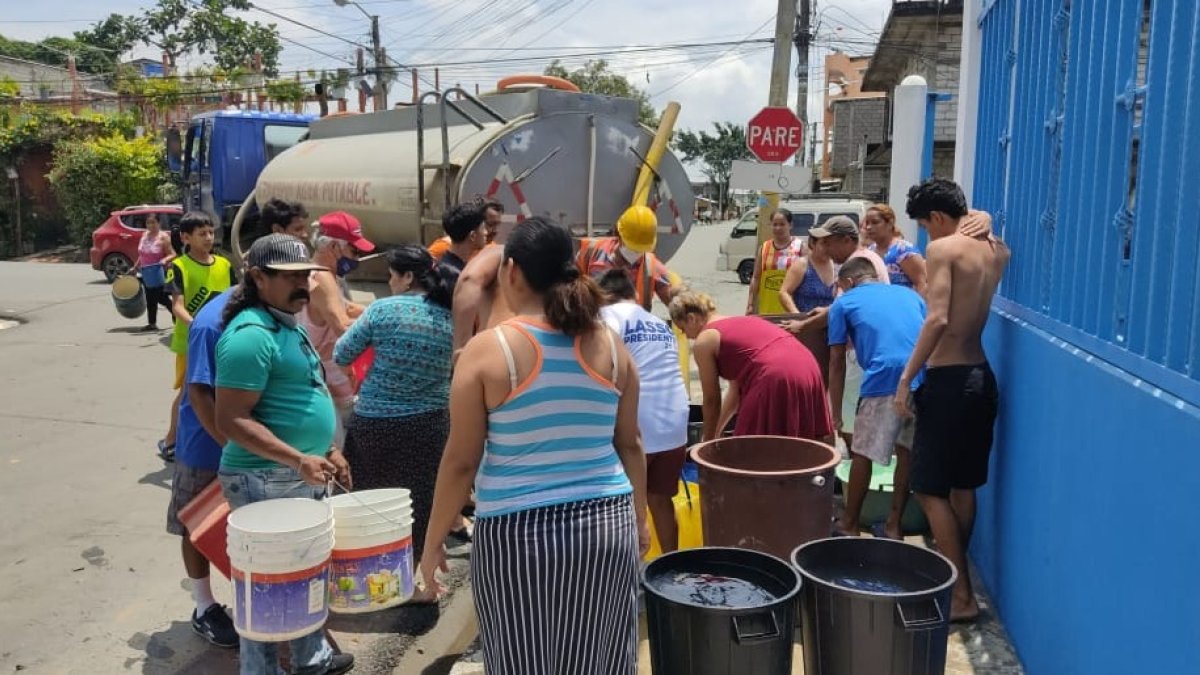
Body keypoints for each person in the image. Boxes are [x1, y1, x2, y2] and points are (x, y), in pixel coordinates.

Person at [419, 217, 648, 674]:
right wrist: (638, 521)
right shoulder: (609, 344)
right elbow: (631, 444)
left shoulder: (488, 350)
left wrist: (432, 541)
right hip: (608, 525)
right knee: (600, 660)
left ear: (512, 271)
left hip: (519, 535)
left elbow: (461, 462)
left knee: (522, 660)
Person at [215, 234, 355, 675]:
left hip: (295, 473)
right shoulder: (250, 336)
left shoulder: (284, 323)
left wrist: (328, 448)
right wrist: (298, 459)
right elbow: (231, 419)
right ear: (259, 277)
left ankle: (311, 659)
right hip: (264, 478)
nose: (302, 285)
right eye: (290, 277)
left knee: (304, 575)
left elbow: (299, 393)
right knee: (266, 588)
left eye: (305, 275)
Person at [895, 178, 1009, 622]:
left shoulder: (943, 250)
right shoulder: (996, 251)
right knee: (963, 485)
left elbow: (938, 317)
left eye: (926, 225)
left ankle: (960, 596)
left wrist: (907, 378)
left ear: (938, 218)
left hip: (948, 380)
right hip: (981, 377)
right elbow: (987, 230)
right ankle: (957, 583)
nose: (927, 235)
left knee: (926, 488)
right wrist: (985, 219)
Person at [333, 245, 460, 562]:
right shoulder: (451, 316)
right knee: (418, 504)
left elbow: (341, 353)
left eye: (392, 276)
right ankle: (410, 573)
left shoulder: (382, 310)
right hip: (430, 426)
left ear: (407, 277)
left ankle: (368, 570)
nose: (390, 282)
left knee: (368, 502)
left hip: (375, 426)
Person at [826, 258, 925, 539]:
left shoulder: (843, 303)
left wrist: (835, 413)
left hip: (883, 377)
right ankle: (894, 525)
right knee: (905, 452)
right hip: (921, 377)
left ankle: (849, 524)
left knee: (862, 452)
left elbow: (836, 360)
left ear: (848, 282)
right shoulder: (909, 295)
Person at [167, 285, 238, 649]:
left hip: (247, 444)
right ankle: (204, 606)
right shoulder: (211, 323)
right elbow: (198, 391)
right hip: (204, 447)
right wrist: (230, 446)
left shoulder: (269, 313)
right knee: (196, 526)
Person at [598, 269, 688, 553]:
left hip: (638, 429)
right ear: (634, 294)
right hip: (675, 426)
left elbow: (604, 369)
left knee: (623, 505)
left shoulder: (606, 317)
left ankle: (628, 569)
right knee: (661, 499)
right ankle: (672, 564)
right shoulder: (660, 324)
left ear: (604, 297)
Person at [670, 290, 832, 442]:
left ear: (691, 318)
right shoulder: (744, 321)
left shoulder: (705, 340)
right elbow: (735, 392)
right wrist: (716, 433)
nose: (685, 335)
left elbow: (712, 400)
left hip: (775, 374)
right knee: (800, 448)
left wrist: (706, 442)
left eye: (682, 328)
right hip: (809, 368)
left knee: (751, 448)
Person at [160, 212, 237, 462]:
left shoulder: (224, 264)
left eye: (211, 232)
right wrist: (198, 327)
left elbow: (235, 298)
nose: (208, 238)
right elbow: (177, 306)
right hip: (191, 342)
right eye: (202, 233)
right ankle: (171, 440)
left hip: (223, 340)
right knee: (188, 392)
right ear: (185, 237)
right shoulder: (179, 266)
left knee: (220, 390)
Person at [297, 211, 375, 448]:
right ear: (333, 247)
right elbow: (343, 327)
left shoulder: (315, 273)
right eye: (354, 251)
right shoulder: (323, 278)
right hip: (326, 387)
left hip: (322, 380)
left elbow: (347, 307)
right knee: (337, 455)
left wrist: (382, 311)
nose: (357, 258)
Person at [577, 204, 681, 310]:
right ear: (619, 235)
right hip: (595, 319)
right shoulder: (592, 252)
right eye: (633, 247)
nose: (636, 252)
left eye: (641, 250)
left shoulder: (651, 267)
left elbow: (677, 305)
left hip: (632, 320)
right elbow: (571, 288)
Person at [746, 208, 805, 315]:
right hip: (767, 310)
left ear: (790, 225)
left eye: (782, 224)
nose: (778, 228)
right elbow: (756, 277)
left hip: (792, 311)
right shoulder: (764, 248)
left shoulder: (800, 247)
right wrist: (750, 304)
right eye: (775, 224)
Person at [862, 203, 927, 294]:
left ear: (890, 223)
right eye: (867, 223)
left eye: (875, 222)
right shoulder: (870, 252)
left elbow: (921, 284)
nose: (869, 227)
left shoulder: (904, 251)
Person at [133, 213, 177, 332]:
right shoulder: (144, 235)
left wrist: (165, 260)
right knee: (150, 298)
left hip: (158, 272)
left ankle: (178, 316)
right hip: (145, 272)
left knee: (161, 298)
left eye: (153, 222)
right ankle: (152, 323)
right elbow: (142, 254)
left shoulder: (163, 237)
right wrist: (135, 267)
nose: (151, 225)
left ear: (159, 223)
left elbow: (173, 254)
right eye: (148, 223)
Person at [428, 200, 503, 261]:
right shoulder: (443, 248)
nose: (495, 231)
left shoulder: (493, 249)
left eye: (497, 225)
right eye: (490, 224)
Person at [436, 202, 489, 273]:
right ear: (472, 236)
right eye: (483, 228)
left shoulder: (447, 266)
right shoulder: (456, 274)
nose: (486, 233)